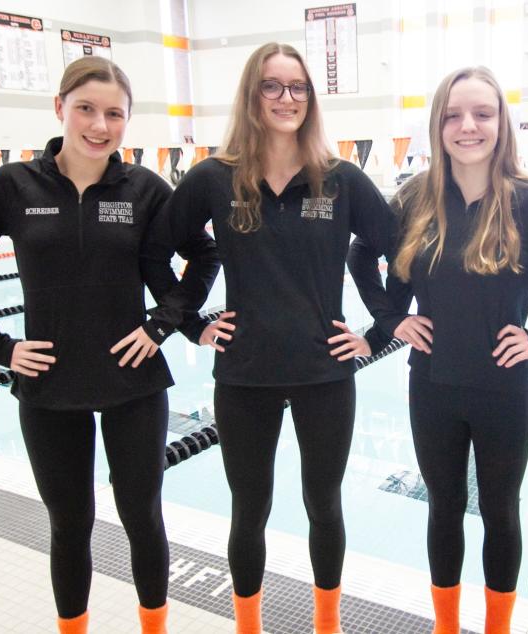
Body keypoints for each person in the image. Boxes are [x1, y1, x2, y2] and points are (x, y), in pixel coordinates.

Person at [0, 57, 219, 634]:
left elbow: (204, 254)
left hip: (132, 381)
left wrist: (163, 323)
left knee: (143, 517)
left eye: (115, 114)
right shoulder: (14, 186)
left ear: (128, 121)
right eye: (86, 108)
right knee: (70, 524)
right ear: (59, 108)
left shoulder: (144, 188)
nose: (99, 124)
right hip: (48, 384)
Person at [139, 42, 395, 634]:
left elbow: (399, 252)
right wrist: (192, 323)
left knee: (323, 506)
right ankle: (247, 626)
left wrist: (378, 332)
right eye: (273, 86)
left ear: (311, 98)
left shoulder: (341, 181)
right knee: (248, 510)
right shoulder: (214, 177)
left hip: (324, 374)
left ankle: (325, 625)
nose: (287, 98)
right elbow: (156, 251)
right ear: (252, 96)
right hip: (244, 375)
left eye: (298, 87)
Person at [347, 66, 528, 634]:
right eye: (454, 115)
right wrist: (392, 320)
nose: (468, 126)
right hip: (432, 385)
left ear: (502, 123)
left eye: (483, 114)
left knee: (500, 512)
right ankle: (445, 626)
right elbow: (359, 256)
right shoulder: (415, 199)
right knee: (443, 508)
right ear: (439, 124)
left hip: (504, 389)